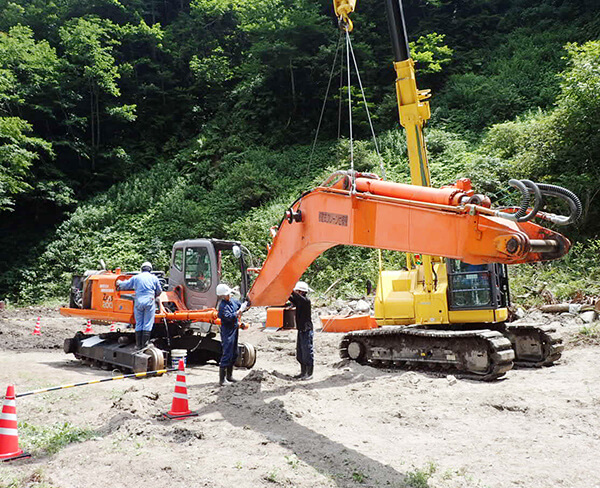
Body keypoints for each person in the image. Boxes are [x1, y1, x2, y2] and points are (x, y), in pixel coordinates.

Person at [117, 261, 162, 350]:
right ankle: (145, 344)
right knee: (148, 322)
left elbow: (125, 285)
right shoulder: (154, 278)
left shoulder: (136, 277)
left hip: (139, 301)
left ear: (142, 269)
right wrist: (154, 296)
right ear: (150, 269)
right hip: (149, 301)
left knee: (139, 322)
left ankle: (138, 344)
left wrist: (118, 282)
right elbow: (159, 291)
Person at [216, 283, 247, 386]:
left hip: (234, 330)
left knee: (234, 353)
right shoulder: (223, 306)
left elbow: (240, 305)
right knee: (227, 353)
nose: (230, 295)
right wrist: (238, 312)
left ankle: (229, 376)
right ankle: (222, 379)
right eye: (228, 294)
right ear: (223, 296)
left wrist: (246, 304)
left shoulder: (233, 302)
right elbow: (229, 317)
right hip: (227, 331)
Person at [289, 281, 314, 380]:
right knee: (300, 353)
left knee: (307, 351)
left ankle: (309, 373)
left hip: (306, 330)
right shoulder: (300, 301)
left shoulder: (306, 301)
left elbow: (295, 296)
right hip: (301, 329)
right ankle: (303, 372)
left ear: (301, 292)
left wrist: (289, 289)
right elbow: (292, 298)